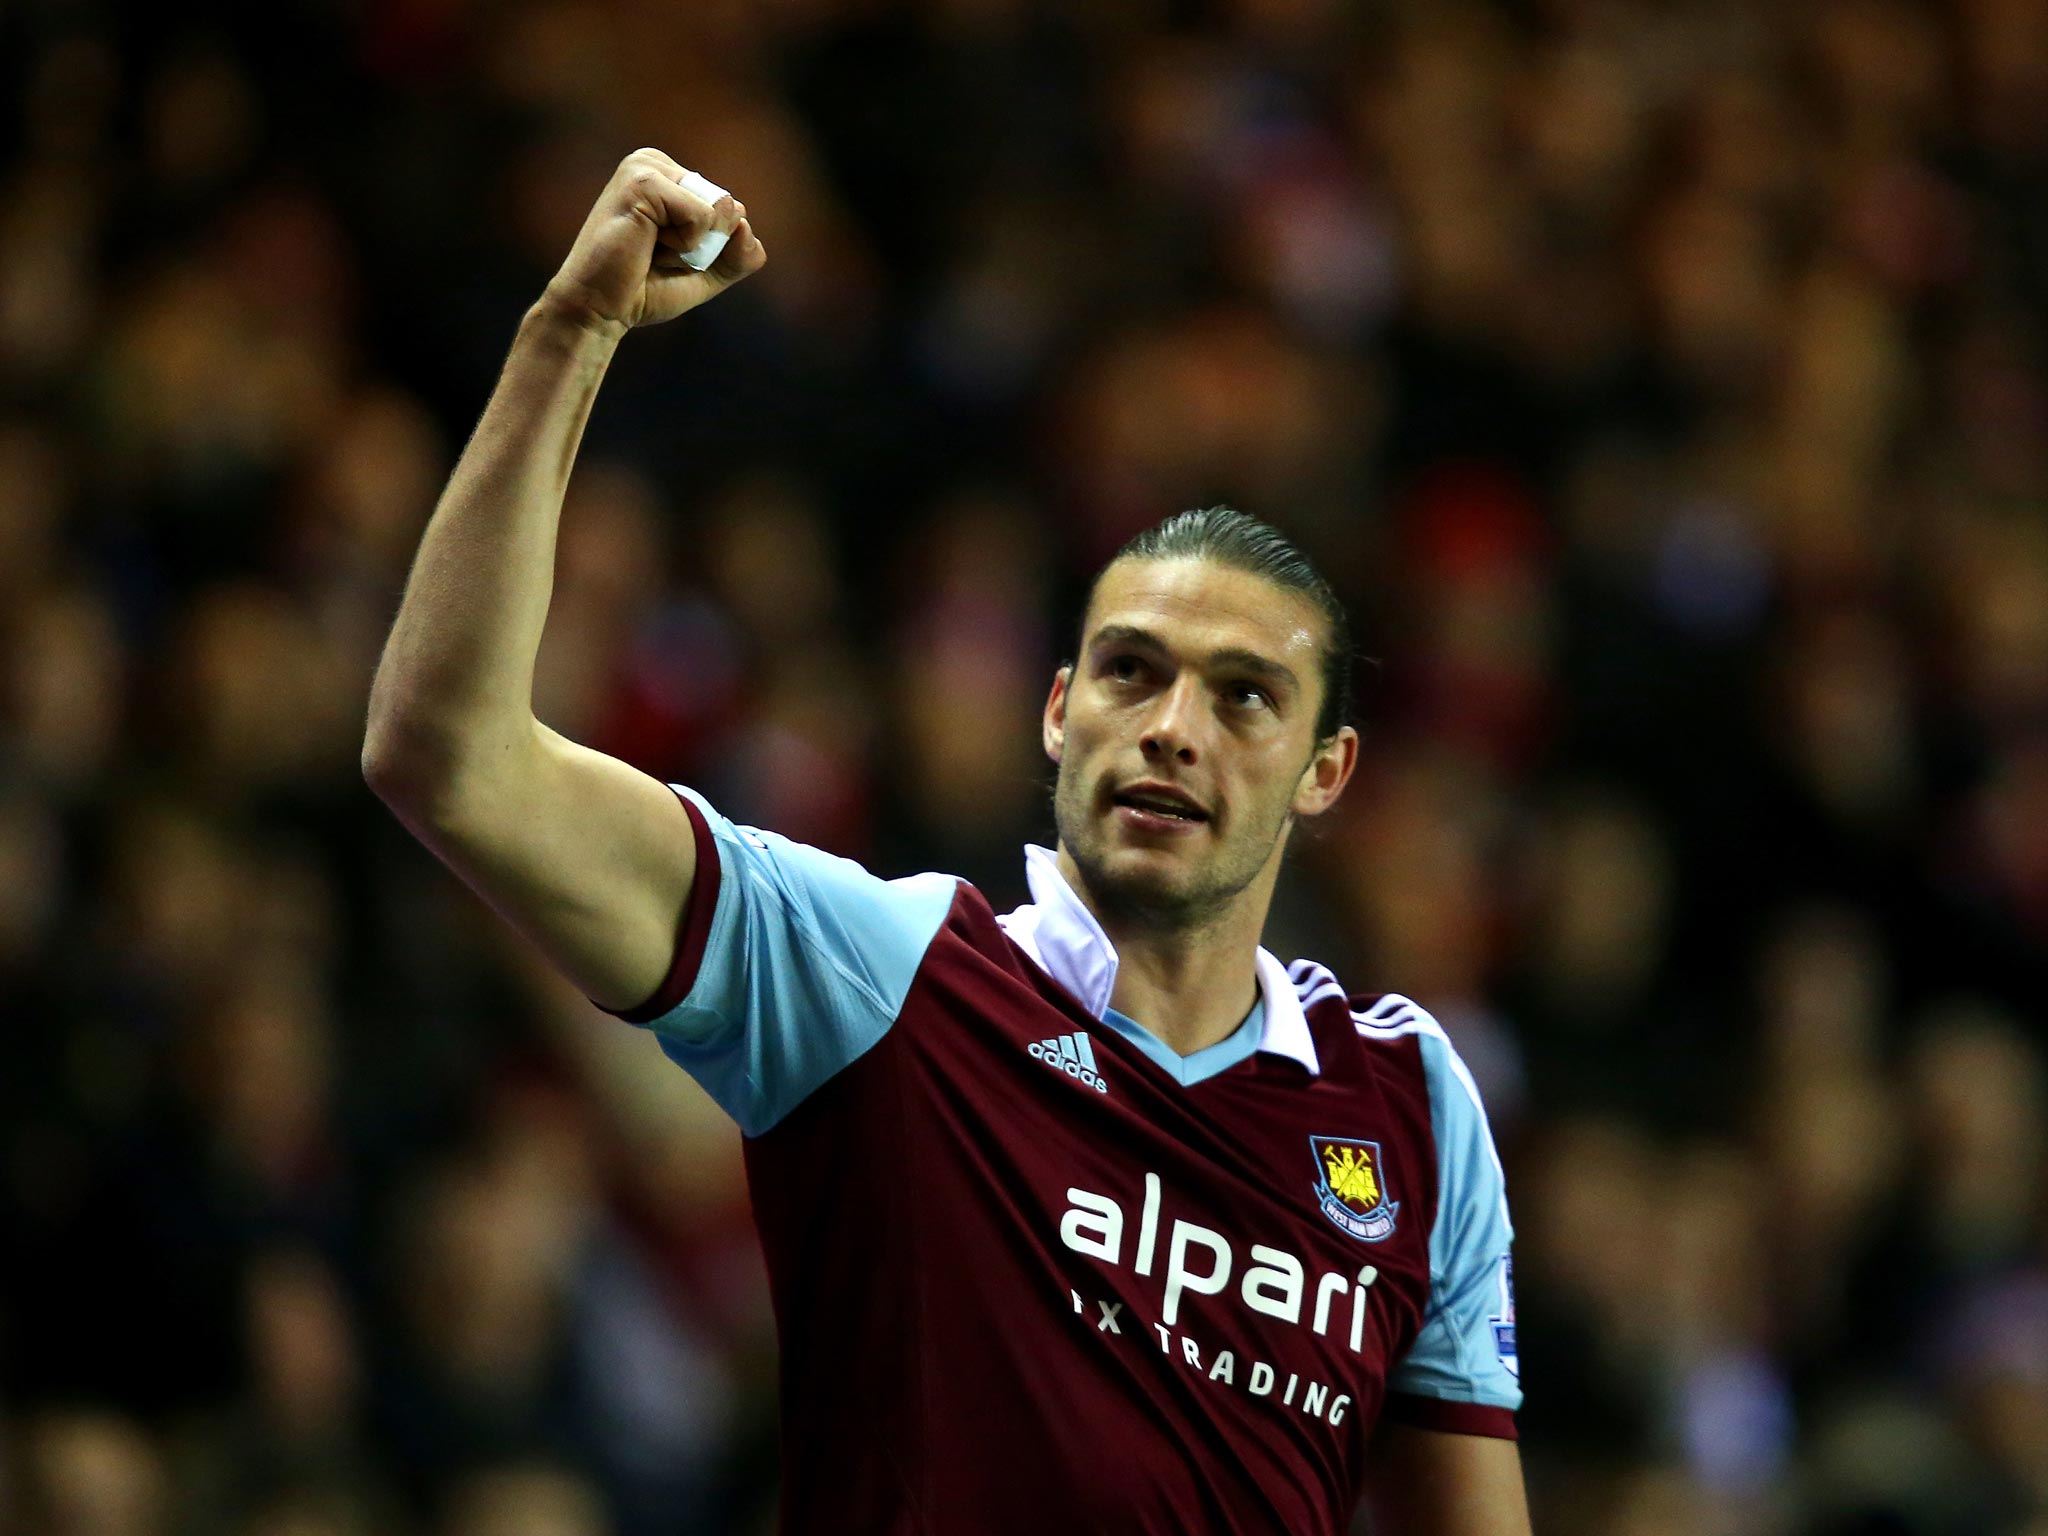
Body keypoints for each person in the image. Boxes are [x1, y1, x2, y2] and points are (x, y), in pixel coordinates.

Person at [363, 148, 1529, 1534]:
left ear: (1326, 772)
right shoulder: (885, 978)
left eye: (1244, 697)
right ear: (1058, 713)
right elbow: (450, 757)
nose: (1172, 729)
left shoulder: (1413, 1108)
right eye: (1131, 672)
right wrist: (569, 332)